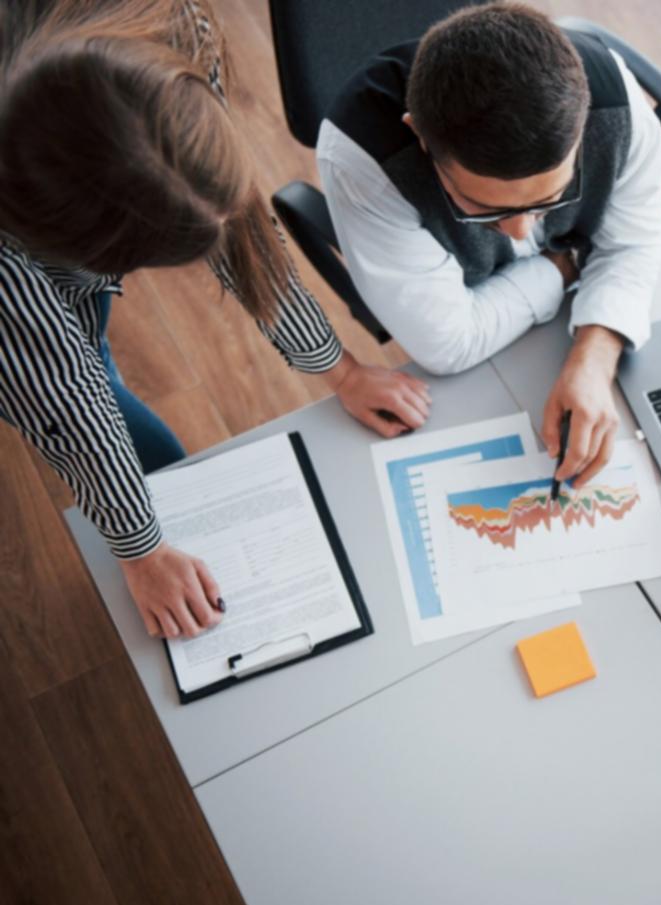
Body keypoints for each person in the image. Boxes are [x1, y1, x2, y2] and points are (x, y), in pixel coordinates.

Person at [0, 0, 430, 641]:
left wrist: (338, 369)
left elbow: (226, 210)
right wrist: (141, 549)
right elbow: (62, 389)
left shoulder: (176, 29)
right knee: (96, 388)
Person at [317, 1, 661, 489]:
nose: (522, 232)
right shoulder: (362, 165)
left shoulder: (618, 106)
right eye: (483, 207)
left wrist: (594, 356)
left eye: (550, 199)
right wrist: (567, 265)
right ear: (418, 135)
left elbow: (636, 242)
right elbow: (449, 343)